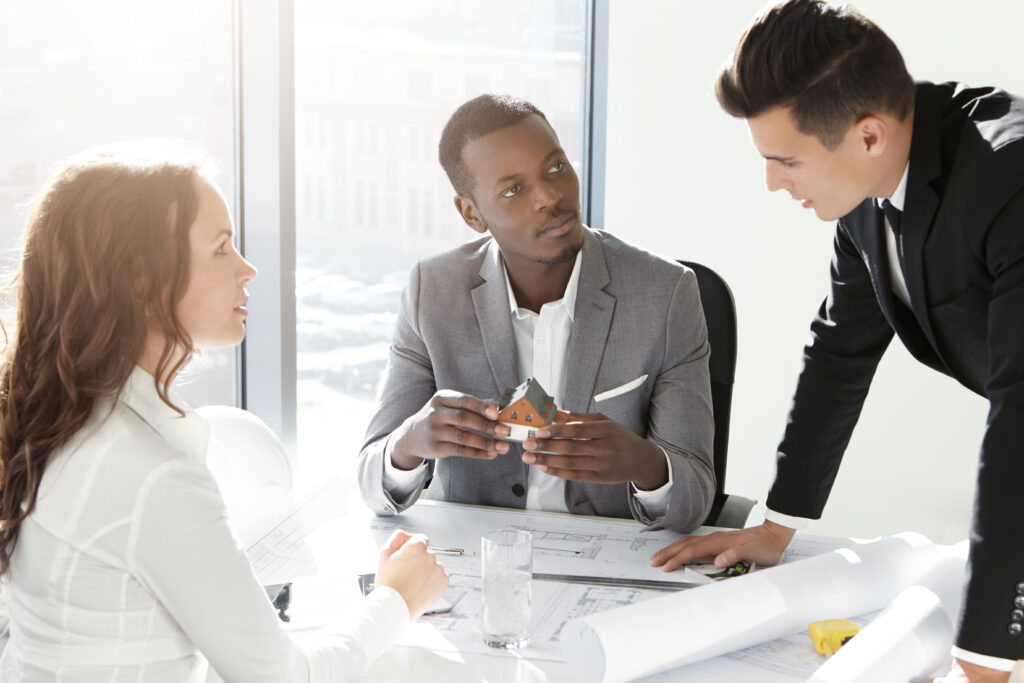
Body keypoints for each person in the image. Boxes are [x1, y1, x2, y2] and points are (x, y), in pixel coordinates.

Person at [648, 1, 1024, 680]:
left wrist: (985, 656)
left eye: (785, 160)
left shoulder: (1010, 180)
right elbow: (839, 349)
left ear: (869, 135)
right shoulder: (869, 191)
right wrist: (774, 526)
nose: (771, 182)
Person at [0, 146, 448, 682]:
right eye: (220, 249)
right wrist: (396, 597)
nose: (248, 268)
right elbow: (283, 678)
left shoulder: (61, 424)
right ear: (141, 283)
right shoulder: (150, 470)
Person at [357, 95, 715, 534]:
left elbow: (696, 495)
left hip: (610, 566)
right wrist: (408, 445)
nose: (550, 196)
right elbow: (371, 485)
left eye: (556, 168)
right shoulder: (432, 291)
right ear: (472, 213)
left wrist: (646, 465)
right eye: (513, 189)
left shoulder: (666, 294)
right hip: (477, 562)